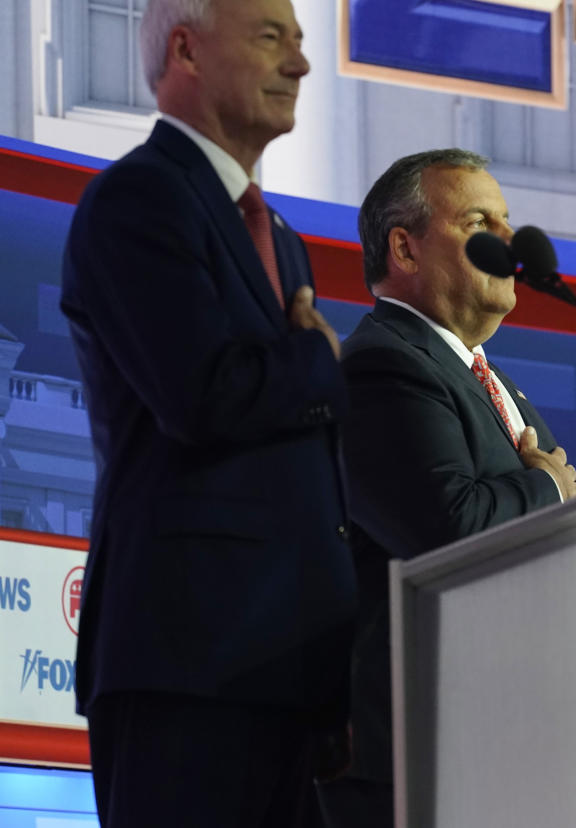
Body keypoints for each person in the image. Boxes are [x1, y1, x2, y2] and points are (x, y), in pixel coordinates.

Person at [59, 0, 356, 824]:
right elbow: (205, 395)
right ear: (185, 49)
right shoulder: (137, 200)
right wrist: (317, 364)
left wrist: (332, 675)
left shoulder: (280, 236)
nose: (299, 64)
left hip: (286, 671)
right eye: (272, 38)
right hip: (188, 664)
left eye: (300, 42)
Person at [316, 149, 576, 826]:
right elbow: (450, 532)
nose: (509, 242)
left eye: (508, 221)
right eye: (478, 222)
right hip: (408, 757)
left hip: (493, 745)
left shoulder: (494, 385)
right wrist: (548, 490)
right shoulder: (384, 364)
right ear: (404, 248)